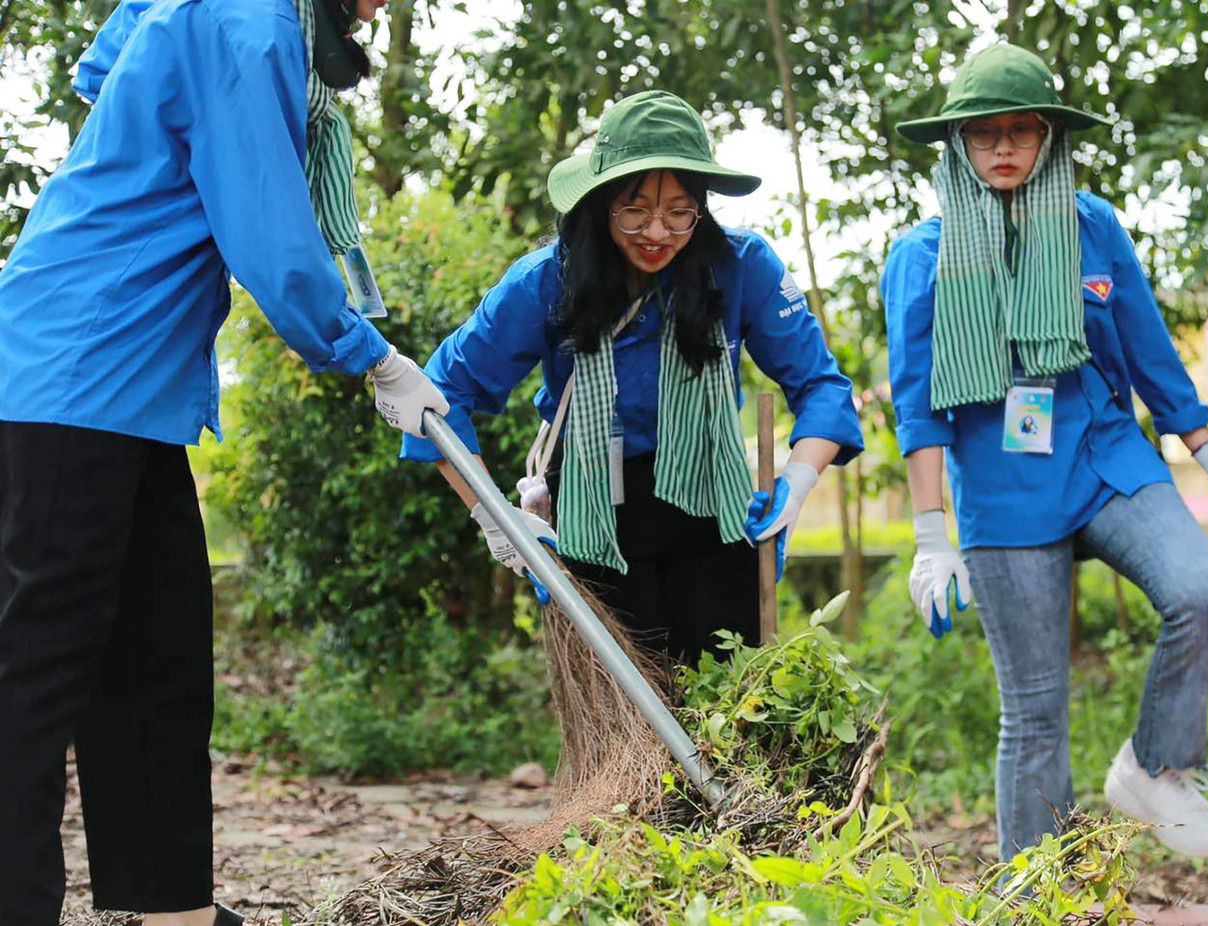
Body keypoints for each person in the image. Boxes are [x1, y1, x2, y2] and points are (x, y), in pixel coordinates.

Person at [0, 0, 447, 922]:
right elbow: (271, 236)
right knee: (35, 665)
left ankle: (174, 908)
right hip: (73, 370)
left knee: (158, 652)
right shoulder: (245, 22)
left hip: (131, 389)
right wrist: (369, 354)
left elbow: (105, 68)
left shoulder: (206, 12)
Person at [884, 44, 1208, 861]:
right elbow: (918, 409)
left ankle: (1156, 767)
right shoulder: (921, 254)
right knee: (1034, 712)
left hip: (1105, 458)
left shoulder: (1091, 225)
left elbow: (1153, 353)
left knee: (1205, 593)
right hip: (1002, 481)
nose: (1002, 150)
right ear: (956, 142)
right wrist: (930, 535)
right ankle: (1037, 894)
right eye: (983, 134)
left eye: (1021, 132)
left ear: (1049, 137)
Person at [401, 90, 862, 665]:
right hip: (595, 509)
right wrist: (498, 522)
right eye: (635, 209)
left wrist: (797, 481)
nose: (657, 232)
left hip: (712, 507)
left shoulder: (742, 268)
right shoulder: (546, 282)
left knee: (722, 711)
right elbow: (439, 397)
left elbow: (822, 387)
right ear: (600, 203)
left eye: (679, 212)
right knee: (628, 717)